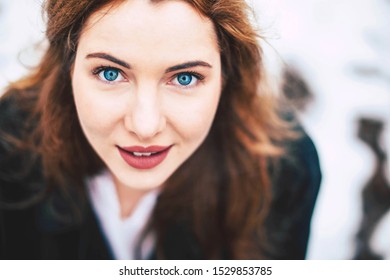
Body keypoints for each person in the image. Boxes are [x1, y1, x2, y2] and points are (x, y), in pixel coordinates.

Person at [0, 0, 321, 259]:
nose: (144, 126)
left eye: (185, 78)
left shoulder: (283, 170)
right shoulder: (8, 143)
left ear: (226, 79)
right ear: (68, 69)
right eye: (110, 73)